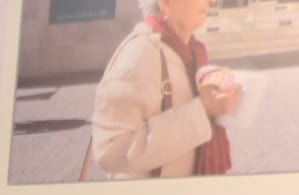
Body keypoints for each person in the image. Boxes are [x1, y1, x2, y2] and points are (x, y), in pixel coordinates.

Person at [88, 0, 240, 180]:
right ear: (165, 3)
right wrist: (203, 110)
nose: (211, 1)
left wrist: (222, 102)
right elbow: (110, 152)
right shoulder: (140, 52)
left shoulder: (193, 51)